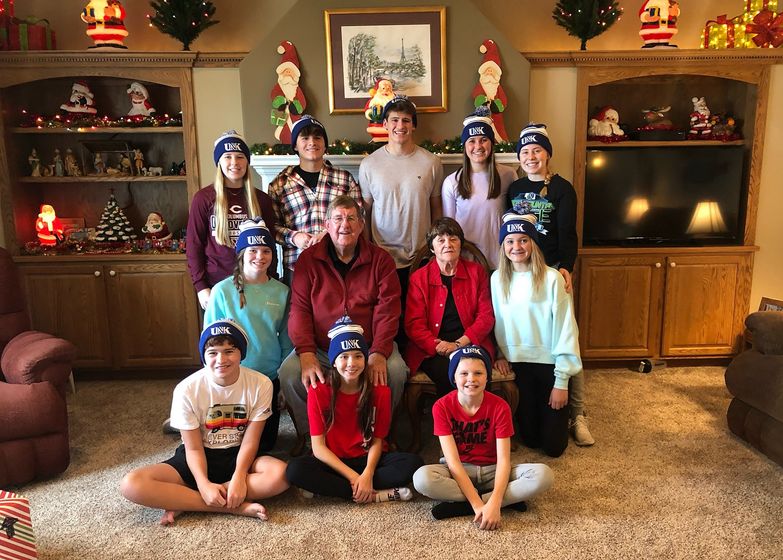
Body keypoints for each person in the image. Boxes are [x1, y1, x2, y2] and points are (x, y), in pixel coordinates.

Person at [120, 320, 289, 525]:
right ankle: (232, 507)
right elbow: (192, 449)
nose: (221, 359)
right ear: (204, 356)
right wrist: (202, 483)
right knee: (132, 484)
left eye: (229, 351)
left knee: (282, 474)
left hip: (240, 453)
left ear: (241, 354)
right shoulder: (186, 389)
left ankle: (187, 501)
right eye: (213, 353)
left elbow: (251, 442)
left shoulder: (261, 384)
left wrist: (239, 477)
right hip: (199, 455)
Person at [279, 196, 408, 455]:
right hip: (322, 348)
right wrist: (305, 351)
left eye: (351, 218)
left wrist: (380, 352)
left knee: (395, 370)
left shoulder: (381, 260)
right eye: (338, 218)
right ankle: (312, 437)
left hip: (369, 347)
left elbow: (389, 310)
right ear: (327, 224)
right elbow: (299, 310)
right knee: (290, 372)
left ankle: (376, 436)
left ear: (361, 225)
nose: (344, 225)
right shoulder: (308, 260)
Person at [506, 123, 594, 446]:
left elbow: (568, 233)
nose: (531, 157)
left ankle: (578, 413)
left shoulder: (562, 189)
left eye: (537, 150)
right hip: (522, 271)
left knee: (569, 337)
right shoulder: (514, 191)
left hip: (554, 270)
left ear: (547, 154)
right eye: (525, 152)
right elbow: (509, 234)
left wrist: (567, 267)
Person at [285, 316, 423, 502]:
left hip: (366, 458)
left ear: (365, 360)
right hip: (333, 460)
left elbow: (377, 441)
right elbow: (318, 448)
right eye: (344, 357)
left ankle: (343, 490)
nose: (351, 363)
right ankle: (376, 495)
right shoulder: (318, 392)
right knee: (294, 470)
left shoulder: (380, 392)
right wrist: (355, 478)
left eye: (358, 356)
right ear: (333, 362)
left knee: (413, 464)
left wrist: (367, 474)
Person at [413, 346, 554, 527]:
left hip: (492, 470)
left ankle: (464, 506)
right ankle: (497, 502)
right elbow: (453, 463)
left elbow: (504, 460)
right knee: (422, 478)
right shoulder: (441, 406)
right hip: (459, 470)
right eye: (464, 373)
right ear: (453, 378)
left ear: (487, 377)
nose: (471, 379)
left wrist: (494, 503)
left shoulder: (500, 406)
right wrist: (477, 503)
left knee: (543, 475)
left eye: (478, 373)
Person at [492, 211, 582, 458]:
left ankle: (576, 417)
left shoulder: (553, 279)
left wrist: (561, 382)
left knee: (554, 448)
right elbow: (496, 321)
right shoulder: (496, 280)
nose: (516, 246)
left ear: (533, 243)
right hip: (519, 365)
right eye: (510, 241)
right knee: (530, 440)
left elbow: (566, 329)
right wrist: (500, 352)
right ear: (503, 247)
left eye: (523, 240)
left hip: (551, 365)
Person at [204, 219, 293, 452]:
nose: (259, 256)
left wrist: (283, 382)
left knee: (265, 445)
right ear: (241, 253)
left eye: (266, 250)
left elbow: (286, 340)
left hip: (268, 378)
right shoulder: (221, 291)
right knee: (229, 444)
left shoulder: (282, 292)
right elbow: (209, 344)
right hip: (231, 377)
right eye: (252, 250)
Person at [359, 95, 443, 314]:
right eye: (394, 120)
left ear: (413, 126)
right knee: (386, 316)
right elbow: (365, 212)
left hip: (421, 256)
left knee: (419, 315)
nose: (400, 126)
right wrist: (367, 250)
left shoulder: (431, 163)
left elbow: (436, 208)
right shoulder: (369, 164)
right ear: (385, 124)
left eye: (406, 120)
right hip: (381, 256)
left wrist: (434, 248)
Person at [186, 130, 277, 311]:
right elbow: (193, 244)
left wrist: (270, 280)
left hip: (255, 283)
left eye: (240, 156)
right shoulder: (203, 199)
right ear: (219, 161)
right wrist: (201, 287)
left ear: (247, 161)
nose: (234, 162)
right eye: (227, 156)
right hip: (216, 285)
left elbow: (270, 245)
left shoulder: (262, 200)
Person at [404, 217, 495, 397]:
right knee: (451, 374)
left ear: (461, 244)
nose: (448, 244)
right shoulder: (419, 278)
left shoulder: (476, 273)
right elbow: (414, 324)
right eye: (441, 240)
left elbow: (486, 317)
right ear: (432, 248)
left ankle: (479, 422)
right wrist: (438, 346)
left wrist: (459, 344)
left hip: (470, 341)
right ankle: (451, 423)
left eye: (453, 239)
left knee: (478, 372)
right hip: (433, 348)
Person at [267, 115, 362, 285]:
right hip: (297, 267)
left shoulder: (344, 179)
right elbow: (271, 226)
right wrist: (295, 237)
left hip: (339, 264)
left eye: (318, 137)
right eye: (305, 138)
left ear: (325, 145)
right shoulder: (280, 184)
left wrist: (329, 233)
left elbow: (359, 217)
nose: (312, 142)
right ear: (295, 145)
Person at [442, 108, 517, 269]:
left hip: (501, 262)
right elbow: (449, 230)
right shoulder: (451, 182)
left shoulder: (508, 175)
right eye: (472, 140)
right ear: (465, 145)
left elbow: (516, 219)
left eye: (484, 139)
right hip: (467, 263)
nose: (478, 146)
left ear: (492, 142)